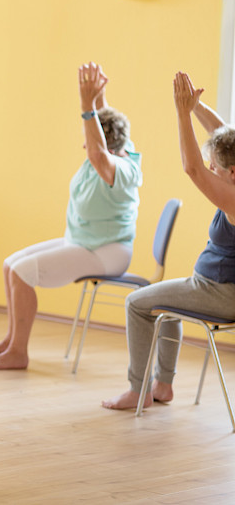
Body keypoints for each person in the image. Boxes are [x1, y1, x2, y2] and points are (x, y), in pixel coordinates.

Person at [0, 62, 142, 370]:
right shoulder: (119, 147)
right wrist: (98, 94)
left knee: (24, 273)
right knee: (10, 265)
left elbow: (97, 151)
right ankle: (12, 339)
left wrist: (86, 106)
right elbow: (106, 130)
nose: (84, 139)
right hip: (82, 241)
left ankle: (19, 352)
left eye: (87, 134)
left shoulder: (120, 167)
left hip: (106, 251)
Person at [103, 73, 235, 410]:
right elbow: (223, 138)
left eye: (216, 167)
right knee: (165, 307)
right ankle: (162, 386)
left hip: (219, 293)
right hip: (215, 288)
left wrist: (181, 113)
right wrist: (196, 107)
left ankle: (139, 391)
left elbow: (193, 168)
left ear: (232, 173)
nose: (210, 167)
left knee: (136, 303)